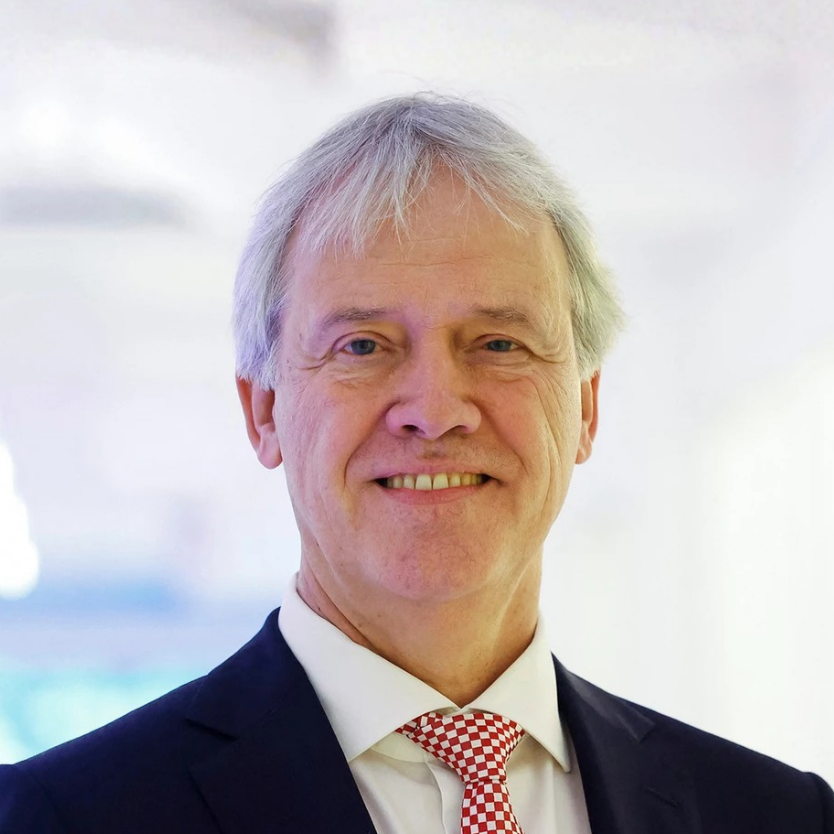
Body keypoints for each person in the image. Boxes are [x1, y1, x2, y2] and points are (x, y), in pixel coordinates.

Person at [1, 93, 831, 834]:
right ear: (264, 411)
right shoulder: (59, 818)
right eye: (363, 345)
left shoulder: (778, 817)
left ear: (584, 407)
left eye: (498, 343)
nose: (435, 409)